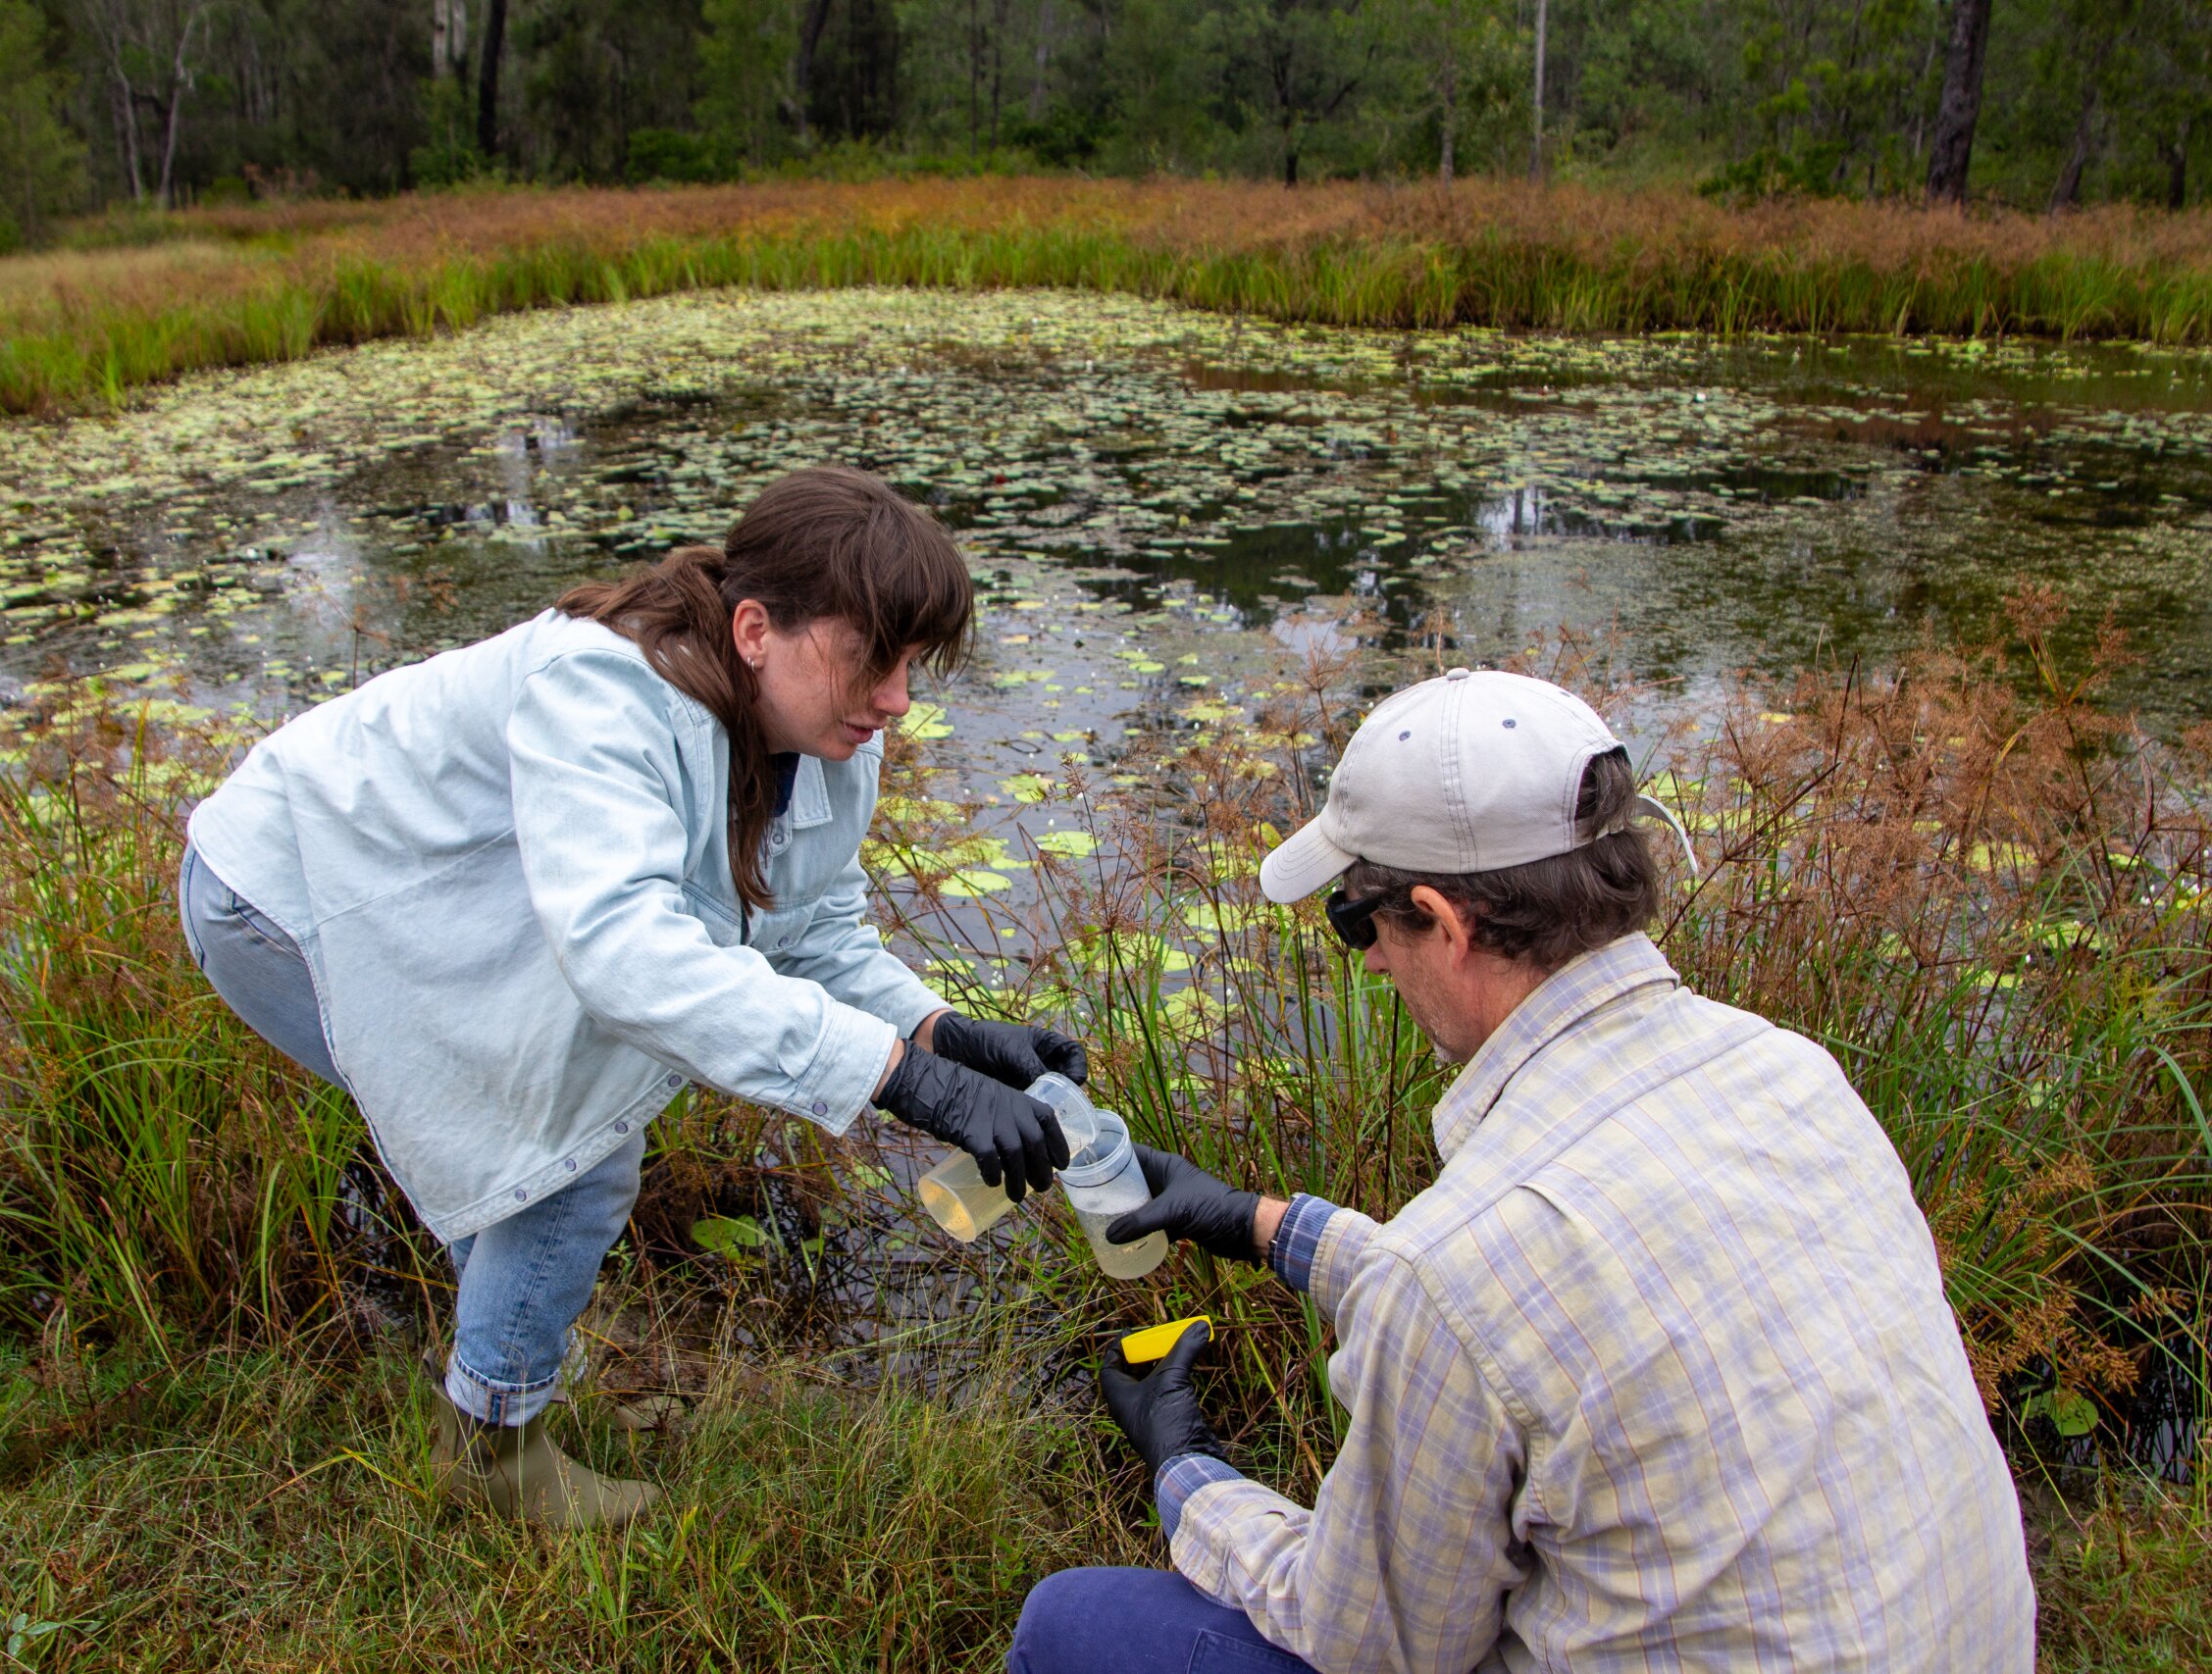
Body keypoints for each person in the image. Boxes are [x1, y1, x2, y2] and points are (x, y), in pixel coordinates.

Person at [1009, 667, 2035, 1673]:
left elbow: (1367, 1643)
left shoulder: (1461, 1269)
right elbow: (1533, 1313)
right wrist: (1254, 1221)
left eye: (1356, 921)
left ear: (1444, 924)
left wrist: (1187, 1471)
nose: (1365, 960)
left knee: (1072, 1622)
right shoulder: (1791, 1074)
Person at [178, 466, 1083, 1531]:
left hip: (476, 901)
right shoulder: (604, 687)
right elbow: (622, 954)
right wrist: (901, 1082)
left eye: (913, 665)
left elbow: (818, 934)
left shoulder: (834, 746)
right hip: (296, 893)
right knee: (571, 1155)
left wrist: (945, 1036)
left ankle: (504, 1377)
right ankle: (491, 1454)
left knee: (550, 1152)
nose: (896, 699)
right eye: (871, 659)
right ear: (756, 629)